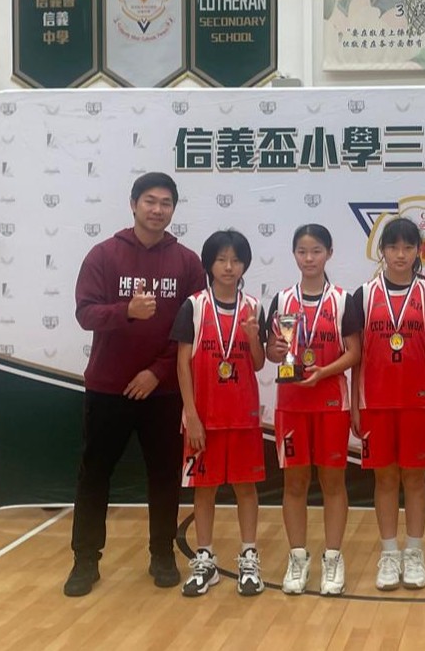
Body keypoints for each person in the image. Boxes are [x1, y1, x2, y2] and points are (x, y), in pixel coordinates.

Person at [65, 172, 206, 597]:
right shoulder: (104, 255)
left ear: (173, 209)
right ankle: (85, 561)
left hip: (163, 391)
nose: (157, 209)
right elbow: (85, 314)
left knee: (164, 476)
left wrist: (157, 371)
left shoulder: (187, 262)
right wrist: (126, 310)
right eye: (150, 201)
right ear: (133, 204)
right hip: (108, 388)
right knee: (95, 475)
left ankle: (162, 554)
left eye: (166, 203)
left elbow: (194, 329)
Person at [350, 216, 425, 591]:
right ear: (382, 251)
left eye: (408, 247)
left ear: (419, 251)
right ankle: (389, 553)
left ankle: (414, 552)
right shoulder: (363, 296)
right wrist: (355, 403)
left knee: (415, 478)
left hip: (419, 403)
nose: (401, 254)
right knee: (385, 478)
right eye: (393, 247)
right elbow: (356, 356)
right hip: (375, 403)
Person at [264, 224, 362, 596]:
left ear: (329, 254)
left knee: (333, 483)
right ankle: (298, 557)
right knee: (295, 484)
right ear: (294, 254)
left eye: (316, 251)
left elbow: (355, 353)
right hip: (291, 406)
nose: (309, 258)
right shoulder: (282, 300)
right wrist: (276, 351)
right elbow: (274, 351)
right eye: (302, 252)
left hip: (332, 404)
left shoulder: (342, 301)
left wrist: (324, 372)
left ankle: (333, 557)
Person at [172, 229, 267, 597]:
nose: (229, 267)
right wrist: (191, 415)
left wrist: (252, 337)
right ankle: (205, 558)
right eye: (222, 259)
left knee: (246, 488)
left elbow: (258, 363)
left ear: (245, 264)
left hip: (243, 416)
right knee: (204, 490)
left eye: (236, 260)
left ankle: (249, 556)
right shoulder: (194, 306)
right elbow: (182, 365)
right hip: (205, 418)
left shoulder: (253, 307)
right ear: (209, 264)